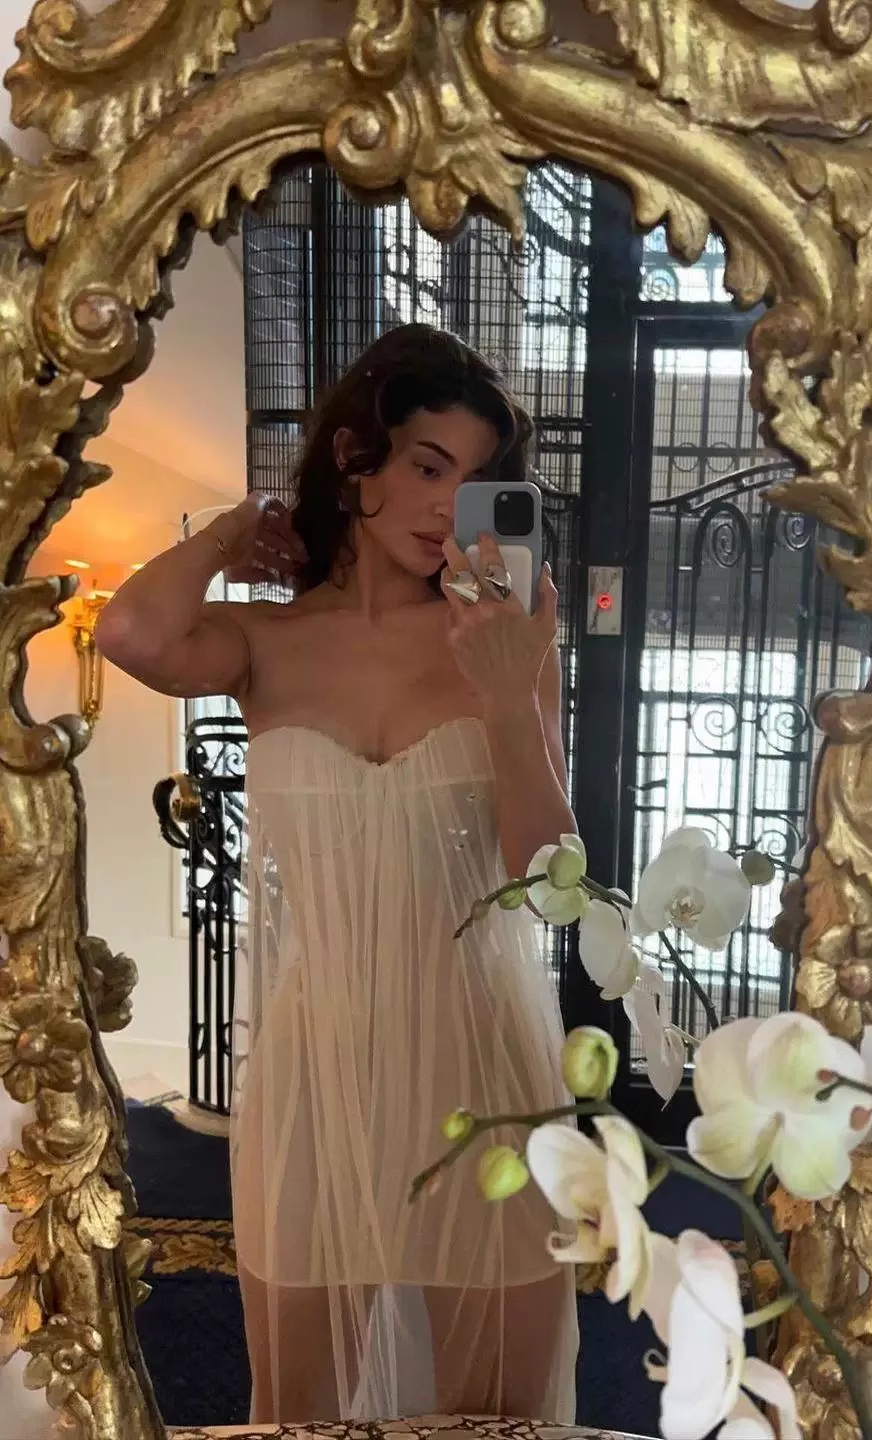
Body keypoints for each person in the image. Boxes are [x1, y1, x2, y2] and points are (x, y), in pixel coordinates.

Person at [96, 324, 579, 1425]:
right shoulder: (268, 642)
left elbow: (551, 878)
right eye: (427, 466)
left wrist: (509, 699)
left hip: (480, 1061)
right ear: (357, 460)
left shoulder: (503, 642)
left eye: (474, 483)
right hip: (316, 1069)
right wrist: (239, 528)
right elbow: (130, 632)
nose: (446, 507)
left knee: (496, 1415)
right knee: (299, 1412)